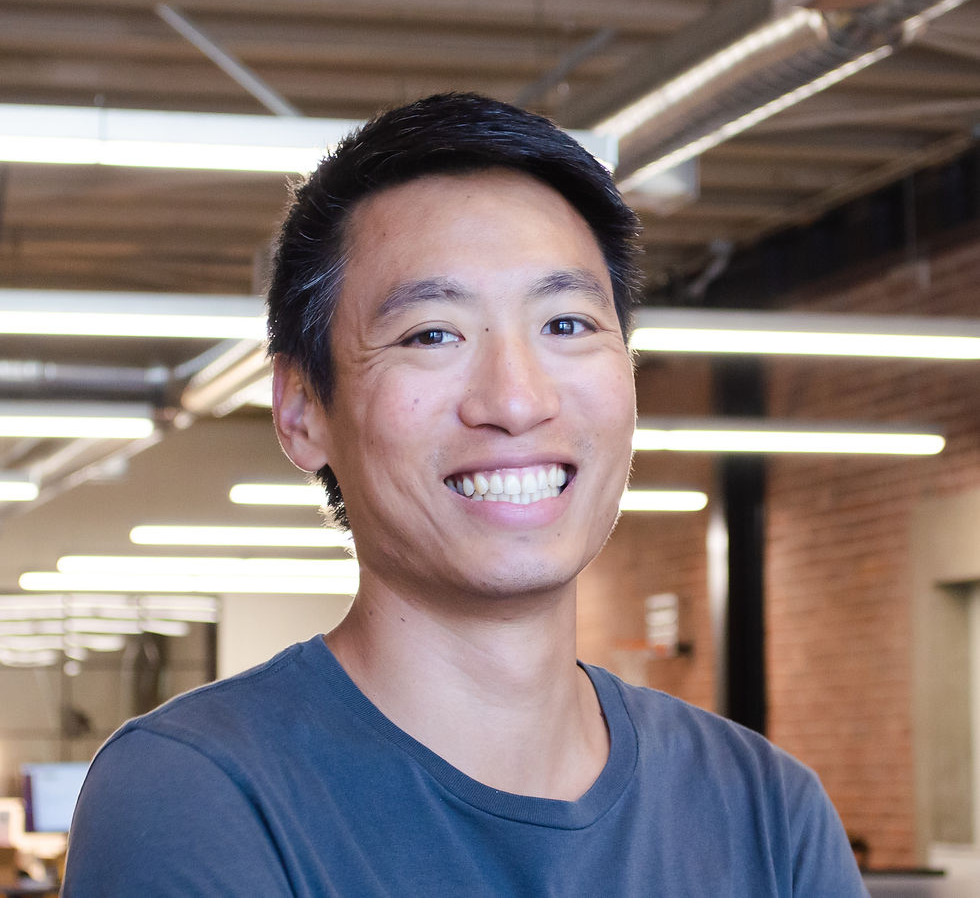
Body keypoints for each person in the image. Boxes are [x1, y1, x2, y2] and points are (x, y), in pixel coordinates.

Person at [62, 93, 867, 896]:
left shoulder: (768, 813)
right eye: (431, 334)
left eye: (567, 324)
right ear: (303, 410)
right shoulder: (198, 793)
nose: (517, 400)